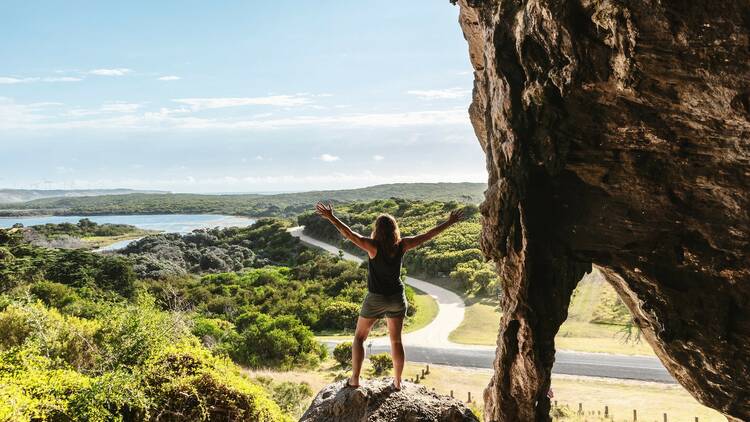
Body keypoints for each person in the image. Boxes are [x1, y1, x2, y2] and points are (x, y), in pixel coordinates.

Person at [315, 202, 464, 390]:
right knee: (396, 341)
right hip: (396, 298)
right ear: (395, 229)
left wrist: (331, 217)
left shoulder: (372, 246)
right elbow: (427, 235)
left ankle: (355, 379)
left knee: (359, 338)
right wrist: (449, 222)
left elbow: (350, 234)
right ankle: (398, 382)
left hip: (375, 298)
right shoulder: (402, 245)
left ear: (377, 230)